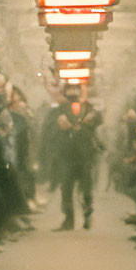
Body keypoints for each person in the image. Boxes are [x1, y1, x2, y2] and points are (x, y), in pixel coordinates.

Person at [50, 84, 103, 231]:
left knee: (86, 188)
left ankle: (87, 215)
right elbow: (51, 129)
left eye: (76, 90)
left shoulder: (89, 108)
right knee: (66, 188)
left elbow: (99, 118)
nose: (73, 93)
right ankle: (68, 219)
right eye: (70, 90)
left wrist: (90, 118)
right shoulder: (59, 110)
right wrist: (60, 125)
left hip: (84, 155)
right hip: (67, 155)